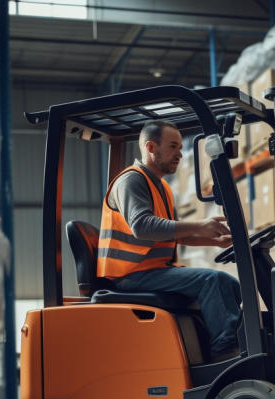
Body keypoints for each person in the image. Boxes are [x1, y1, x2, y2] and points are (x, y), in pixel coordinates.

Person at [97, 120, 242, 358]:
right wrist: (200, 225)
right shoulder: (131, 181)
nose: (180, 154)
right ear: (151, 147)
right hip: (131, 275)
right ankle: (225, 354)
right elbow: (143, 227)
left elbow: (173, 234)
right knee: (213, 281)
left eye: (179, 148)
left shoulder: (161, 187)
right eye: (173, 147)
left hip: (151, 271)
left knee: (231, 285)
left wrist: (212, 240)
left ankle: (213, 348)